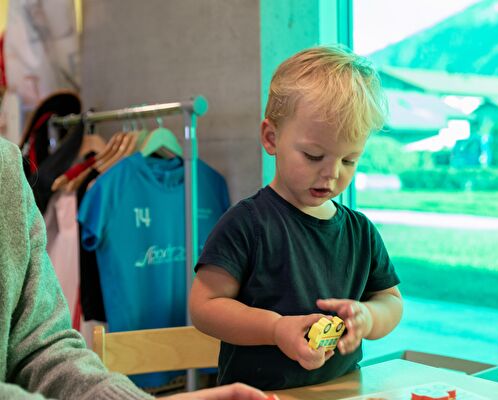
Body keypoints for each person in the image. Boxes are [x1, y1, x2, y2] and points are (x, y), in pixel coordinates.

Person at [189, 45, 403, 391]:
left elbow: (390, 300)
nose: (331, 174)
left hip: (342, 390)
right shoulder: (247, 224)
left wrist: (369, 317)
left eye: (349, 160)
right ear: (271, 138)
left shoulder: (360, 232)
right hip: (258, 394)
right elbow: (204, 306)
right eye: (314, 155)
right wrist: (275, 329)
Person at [0, 136, 271, 400]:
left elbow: (42, 349)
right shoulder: (109, 187)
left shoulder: (8, 169)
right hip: (136, 351)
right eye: (310, 155)